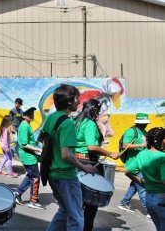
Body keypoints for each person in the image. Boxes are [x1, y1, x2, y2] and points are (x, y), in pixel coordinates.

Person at [43, 84, 96, 231]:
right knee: (77, 217)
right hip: (66, 176)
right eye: (77, 99)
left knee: (65, 211)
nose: (79, 102)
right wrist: (83, 166)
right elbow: (66, 154)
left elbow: (44, 141)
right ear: (70, 101)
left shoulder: (51, 118)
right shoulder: (67, 123)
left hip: (52, 174)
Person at [74, 99, 120, 231]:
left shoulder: (76, 121)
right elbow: (92, 146)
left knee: (77, 199)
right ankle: (86, 227)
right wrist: (109, 153)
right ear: (94, 110)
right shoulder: (89, 124)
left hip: (75, 161)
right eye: (98, 111)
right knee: (91, 200)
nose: (99, 114)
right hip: (89, 162)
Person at [125, 127, 165, 230]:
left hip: (149, 199)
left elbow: (128, 171)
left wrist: (142, 183)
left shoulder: (142, 154)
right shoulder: (162, 157)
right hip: (161, 199)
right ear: (163, 140)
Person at [14, 106, 45, 209]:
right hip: (28, 156)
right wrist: (39, 150)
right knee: (36, 177)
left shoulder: (26, 125)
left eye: (32, 113)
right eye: (29, 114)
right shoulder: (24, 126)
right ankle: (33, 200)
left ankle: (17, 193)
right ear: (23, 116)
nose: (31, 115)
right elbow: (24, 144)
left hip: (30, 156)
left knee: (31, 175)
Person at [118, 113, 149, 214]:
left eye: (146, 123)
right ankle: (148, 210)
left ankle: (123, 202)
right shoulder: (131, 131)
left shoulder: (144, 132)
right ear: (138, 122)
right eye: (143, 123)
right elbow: (124, 145)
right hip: (132, 164)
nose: (145, 125)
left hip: (141, 164)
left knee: (135, 185)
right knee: (142, 186)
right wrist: (141, 144)